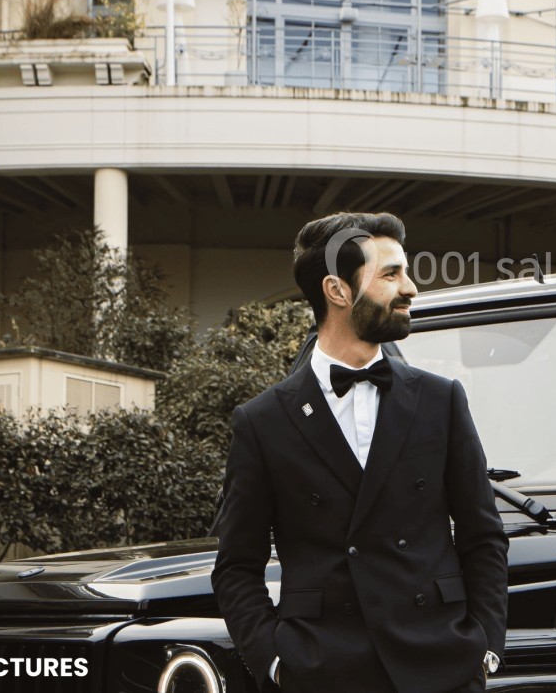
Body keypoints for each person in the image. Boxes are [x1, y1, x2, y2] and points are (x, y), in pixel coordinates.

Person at [211, 212, 508, 693]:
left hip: (441, 668)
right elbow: (235, 567)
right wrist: (277, 663)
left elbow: (484, 537)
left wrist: (485, 649)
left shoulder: (441, 400)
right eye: (391, 274)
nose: (410, 288)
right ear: (337, 290)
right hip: (323, 673)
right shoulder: (263, 422)